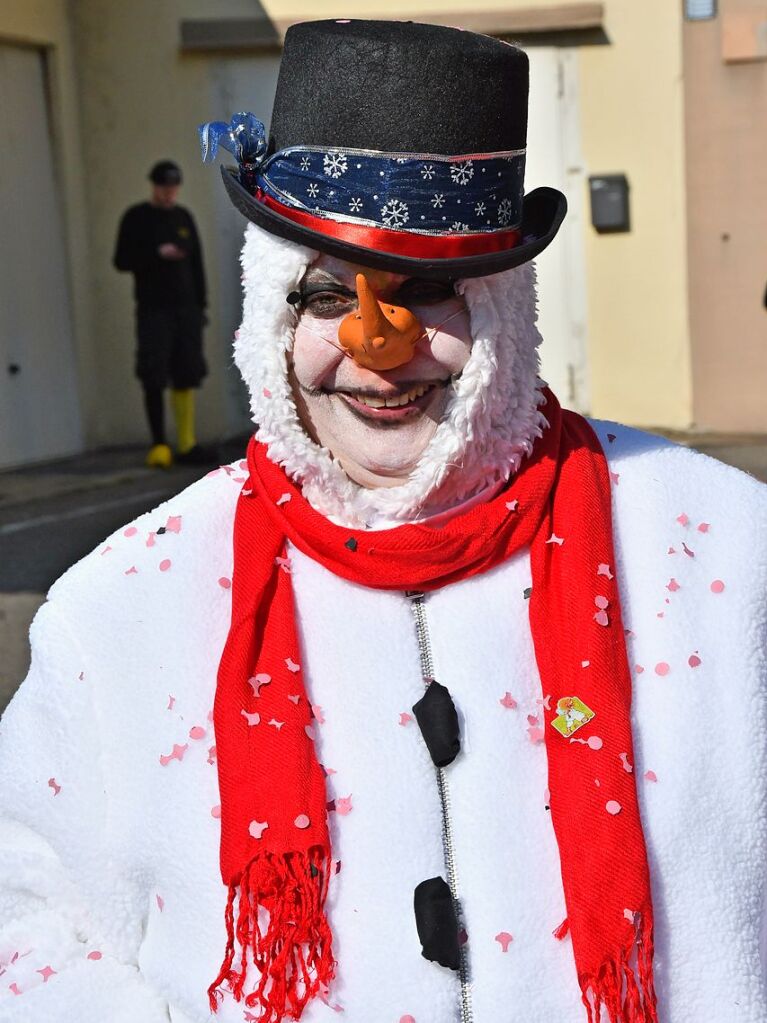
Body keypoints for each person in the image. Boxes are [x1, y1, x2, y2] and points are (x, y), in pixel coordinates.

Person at [1, 20, 766, 1023]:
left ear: (501, 307)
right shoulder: (119, 609)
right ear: (270, 314)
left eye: (427, 288)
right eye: (326, 295)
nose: (375, 343)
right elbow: (28, 921)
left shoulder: (725, 550)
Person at [114, 159, 214, 468]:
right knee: (153, 371)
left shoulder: (183, 217)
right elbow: (121, 260)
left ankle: (187, 443)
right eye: (163, 187)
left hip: (186, 310)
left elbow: (196, 265)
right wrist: (156, 254)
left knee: (186, 370)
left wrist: (200, 306)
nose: (168, 193)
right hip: (153, 309)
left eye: (173, 188)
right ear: (153, 186)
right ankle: (159, 444)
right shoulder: (137, 218)